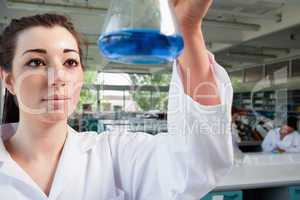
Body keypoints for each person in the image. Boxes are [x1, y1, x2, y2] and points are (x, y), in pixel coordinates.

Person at [0, 0, 234, 199]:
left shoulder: (115, 155)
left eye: (70, 62)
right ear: (8, 80)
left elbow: (198, 163)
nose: (58, 77)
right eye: (36, 62)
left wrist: (187, 29)